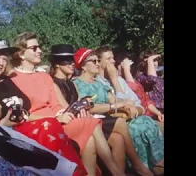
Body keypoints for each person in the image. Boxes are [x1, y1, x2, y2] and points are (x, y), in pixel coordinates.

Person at [10, 32, 128, 176]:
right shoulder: (13, 79)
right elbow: (22, 113)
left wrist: (62, 114)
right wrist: (57, 118)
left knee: (89, 137)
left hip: (58, 121)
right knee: (90, 124)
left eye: (39, 47)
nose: (40, 51)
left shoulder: (44, 77)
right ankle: (117, 173)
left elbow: (56, 104)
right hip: (37, 126)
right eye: (34, 48)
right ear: (21, 54)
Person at [0, 39, 87, 176]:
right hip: (8, 131)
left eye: (4, 58)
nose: (1, 63)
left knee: (51, 126)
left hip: (26, 125)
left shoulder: (8, 80)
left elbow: (26, 110)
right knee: (49, 125)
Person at [73, 46, 163, 175]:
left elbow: (113, 99)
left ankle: (126, 171)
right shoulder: (77, 84)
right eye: (94, 61)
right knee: (123, 123)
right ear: (83, 66)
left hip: (108, 118)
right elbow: (88, 106)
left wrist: (126, 104)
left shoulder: (98, 83)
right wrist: (116, 106)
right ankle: (138, 164)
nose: (98, 64)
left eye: (98, 61)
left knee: (120, 137)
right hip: (94, 121)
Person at [48, 44, 128, 174]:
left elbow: (82, 103)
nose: (72, 64)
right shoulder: (54, 83)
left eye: (72, 60)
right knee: (98, 127)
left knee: (118, 139)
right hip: (69, 122)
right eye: (67, 60)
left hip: (82, 119)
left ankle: (121, 171)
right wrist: (83, 106)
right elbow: (66, 108)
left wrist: (85, 104)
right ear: (57, 64)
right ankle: (119, 172)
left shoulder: (70, 83)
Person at [113, 49, 164, 134]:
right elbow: (152, 79)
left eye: (156, 61)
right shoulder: (141, 78)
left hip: (154, 112)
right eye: (152, 61)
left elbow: (147, 100)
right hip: (144, 115)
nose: (155, 63)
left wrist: (158, 113)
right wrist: (126, 70)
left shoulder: (157, 78)